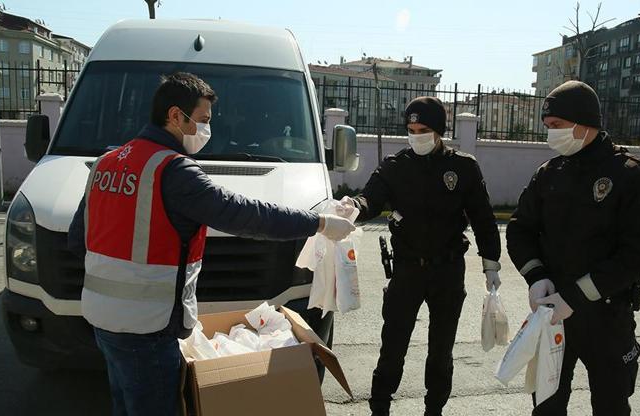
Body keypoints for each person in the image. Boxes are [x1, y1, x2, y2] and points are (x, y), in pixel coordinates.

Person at [67, 72, 355, 416]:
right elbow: (247, 215)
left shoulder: (106, 163)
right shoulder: (173, 171)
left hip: (102, 319)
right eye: (202, 120)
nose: (206, 130)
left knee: (124, 405)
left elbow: (76, 240)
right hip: (147, 328)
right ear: (175, 116)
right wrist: (320, 223)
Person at [506, 80, 640, 416]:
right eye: (548, 127)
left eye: (557, 126)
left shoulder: (631, 175)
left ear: (584, 123)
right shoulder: (548, 174)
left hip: (607, 318)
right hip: (553, 317)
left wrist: (574, 297)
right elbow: (520, 230)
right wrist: (536, 276)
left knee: (611, 404)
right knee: (546, 404)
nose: (551, 134)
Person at [339, 97, 502, 416]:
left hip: (447, 271)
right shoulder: (395, 166)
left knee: (441, 352)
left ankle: (434, 409)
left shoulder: (463, 167)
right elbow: (369, 198)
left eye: (424, 129)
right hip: (407, 271)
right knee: (393, 348)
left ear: (440, 130)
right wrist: (353, 208)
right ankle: (380, 408)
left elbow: (483, 218)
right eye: (411, 130)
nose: (416, 136)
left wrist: (491, 264)